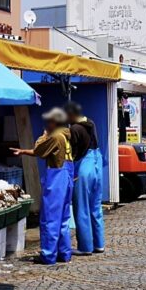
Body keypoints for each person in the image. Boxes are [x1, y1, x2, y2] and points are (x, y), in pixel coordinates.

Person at [11, 108, 74, 265]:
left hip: (57, 178)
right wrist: (24, 151)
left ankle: (48, 255)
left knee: (50, 218)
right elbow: (43, 152)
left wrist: (44, 135)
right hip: (67, 177)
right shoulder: (66, 136)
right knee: (63, 218)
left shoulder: (55, 136)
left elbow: (39, 150)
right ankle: (64, 253)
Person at [65, 102, 105, 256]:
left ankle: (85, 247)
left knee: (81, 207)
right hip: (97, 162)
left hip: (84, 166)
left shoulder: (74, 129)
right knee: (96, 206)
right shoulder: (91, 123)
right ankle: (99, 244)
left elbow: (74, 152)